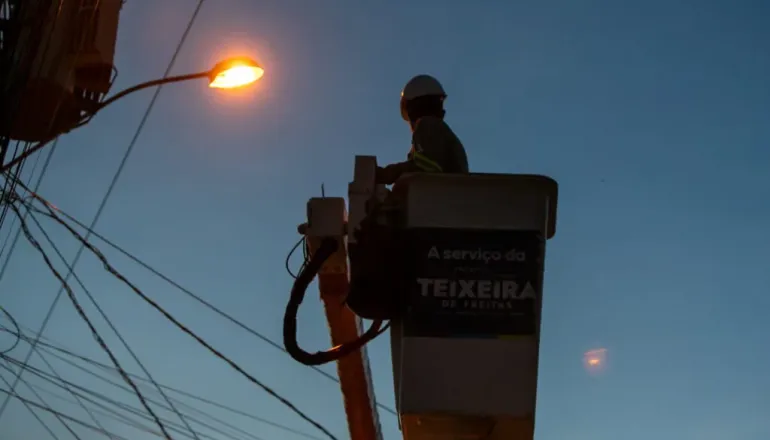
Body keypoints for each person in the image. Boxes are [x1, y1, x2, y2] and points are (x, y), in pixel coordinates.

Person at [375, 74, 469, 185]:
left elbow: (426, 168)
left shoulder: (428, 125)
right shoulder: (439, 132)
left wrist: (388, 173)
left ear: (412, 108)